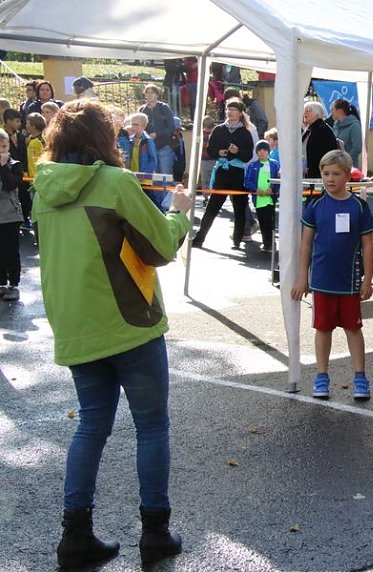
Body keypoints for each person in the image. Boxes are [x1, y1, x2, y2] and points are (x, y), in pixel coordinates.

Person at [31, 99, 190, 568]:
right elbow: (160, 244)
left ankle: (75, 534)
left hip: (77, 326)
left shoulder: (43, 189)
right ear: (104, 138)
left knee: (91, 426)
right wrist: (181, 212)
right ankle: (155, 533)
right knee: (152, 425)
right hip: (130, 323)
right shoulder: (115, 181)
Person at [291, 150, 373, 400]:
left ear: (348, 175)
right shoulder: (315, 204)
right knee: (323, 328)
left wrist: (367, 279)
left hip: (349, 282)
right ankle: (321, 376)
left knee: (353, 328)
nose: (330, 178)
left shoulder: (359, 206)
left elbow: (368, 245)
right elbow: (305, 244)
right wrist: (302, 277)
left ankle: (360, 377)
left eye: (336, 174)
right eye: (325, 173)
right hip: (322, 281)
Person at [192, 98, 254, 251]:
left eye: (233, 110)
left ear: (240, 113)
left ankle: (237, 240)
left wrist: (237, 152)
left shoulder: (245, 133)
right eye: (228, 109)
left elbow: (247, 156)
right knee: (212, 207)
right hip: (222, 173)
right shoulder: (219, 129)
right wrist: (218, 152)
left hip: (238, 174)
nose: (230, 112)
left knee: (239, 208)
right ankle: (199, 238)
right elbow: (209, 149)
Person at [0, 128, 24, 301]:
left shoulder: (15, 165)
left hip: (10, 216)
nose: (2, 151)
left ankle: (13, 283)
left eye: (4, 147)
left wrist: (3, 167)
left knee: (11, 251)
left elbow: (10, 185)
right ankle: (1, 283)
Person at [243, 139, 280, 252]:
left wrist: (272, 188)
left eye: (264, 150)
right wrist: (255, 189)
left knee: (271, 221)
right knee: (262, 221)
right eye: (259, 150)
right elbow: (247, 181)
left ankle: (271, 243)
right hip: (258, 200)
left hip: (270, 199)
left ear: (268, 151)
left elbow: (279, 179)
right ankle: (266, 243)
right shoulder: (253, 165)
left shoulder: (274, 164)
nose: (262, 152)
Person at [138, 84, 176, 178]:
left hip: (164, 146)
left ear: (157, 95)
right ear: (145, 95)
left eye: (153, 92)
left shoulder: (164, 107)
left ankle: (167, 193)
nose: (150, 95)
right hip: (149, 148)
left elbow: (171, 127)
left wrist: (157, 134)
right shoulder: (142, 110)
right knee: (154, 178)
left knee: (165, 176)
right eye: (148, 92)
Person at [125, 112, 161, 210]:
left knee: (149, 196)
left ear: (143, 126)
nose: (133, 127)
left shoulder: (147, 140)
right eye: (132, 124)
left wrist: (146, 173)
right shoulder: (131, 140)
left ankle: (161, 212)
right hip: (133, 173)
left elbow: (153, 159)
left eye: (136, 124)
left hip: (144, 175)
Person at [302, 100, 338, 179]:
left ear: (317, 114)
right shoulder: (310, 129)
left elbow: (326, 153)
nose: (305, 113)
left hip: (319, 174)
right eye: (305, 111)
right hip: (309, 173)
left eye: (308, 111)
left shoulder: (322, 129)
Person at [331, 98, 362, 168]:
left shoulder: (354, 125)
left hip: (349, 167)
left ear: (339, 111)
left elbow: (357, 148)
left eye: (332, 109)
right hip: (336, 165)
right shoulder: (336, 125)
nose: (331, 112)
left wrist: (346, 160)